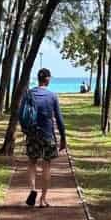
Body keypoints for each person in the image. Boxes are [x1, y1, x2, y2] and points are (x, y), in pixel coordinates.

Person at [25, 68, 67, 208]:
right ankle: (43, 199)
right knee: (47, 165)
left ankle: (32, 189)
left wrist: (25, 130)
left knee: (32, 162)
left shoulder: (29, 93)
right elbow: (59, 119)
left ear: (38, 78)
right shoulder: (52, 96)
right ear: (47, 79)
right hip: (48, 135)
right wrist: (63, 137)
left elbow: (21, 113)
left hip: (32, 134)